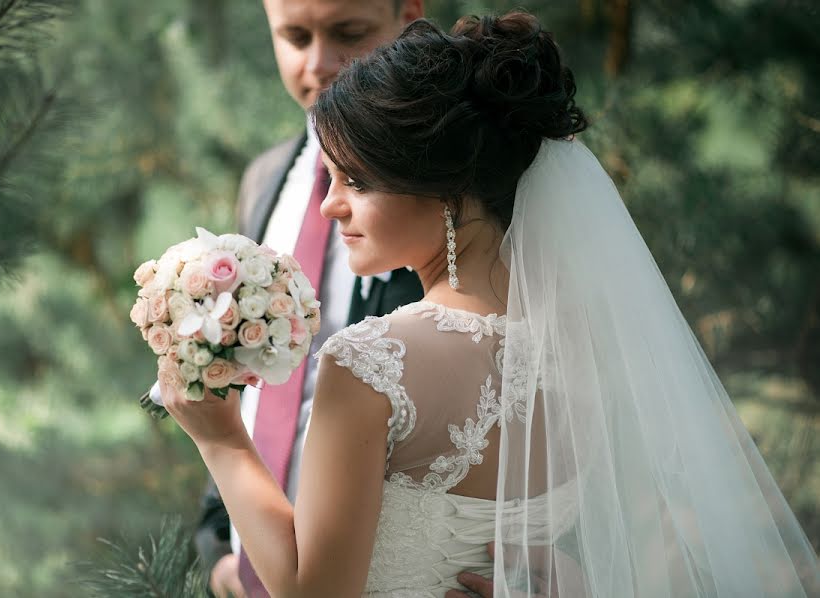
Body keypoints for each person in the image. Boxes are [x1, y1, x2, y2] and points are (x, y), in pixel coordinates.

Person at [161, 9, 820, 598]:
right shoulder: (583, 348)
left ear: (446, 191)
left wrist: (222, 443)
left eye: (356, 181)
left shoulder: (368, 363)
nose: (331, 204)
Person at [177, 1, 424, 596]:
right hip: (257, 563)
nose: (319, 62)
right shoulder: (266, 180)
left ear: (410, 14)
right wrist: (221, 550)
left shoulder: (451, 188)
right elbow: (250, 380)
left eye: (349, 33)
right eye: (293, 36)